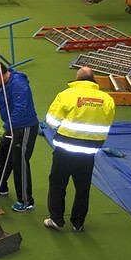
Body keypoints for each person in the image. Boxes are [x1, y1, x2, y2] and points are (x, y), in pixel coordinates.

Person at [44, 67, 115, 232]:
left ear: (77, 78)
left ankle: (56, 219)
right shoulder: (107, 99)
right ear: (94, 80)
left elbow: (51, 121)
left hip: (65, 149)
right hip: (89, 151)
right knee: (83, 187)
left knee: (58, 183)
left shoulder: (66, 95)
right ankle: (78, 222)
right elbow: (108, 121)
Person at [0, 59, 39, 212]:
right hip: (12, 126)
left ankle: (26, 200)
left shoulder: (19, 85)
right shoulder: (3, 84)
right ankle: (0, 187)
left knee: (19, 161)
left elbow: (20, 110)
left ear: (0, 75)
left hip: (24, 127)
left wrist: (5, 127)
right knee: (2, 155)